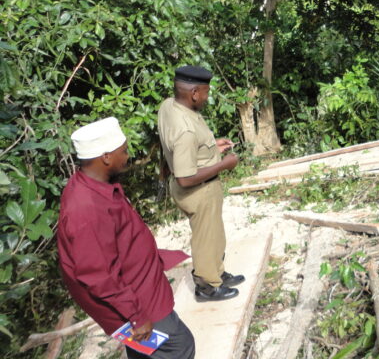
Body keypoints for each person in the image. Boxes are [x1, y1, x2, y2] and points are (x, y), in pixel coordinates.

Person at [57, 117, 195, 358]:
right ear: (106, 157)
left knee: (147, 353)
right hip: (137, 303)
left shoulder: (97, 184)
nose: (127, 155)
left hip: (141, 285)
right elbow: (97, 275)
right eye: (124, 151)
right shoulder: (85, 208)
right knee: (179, 347)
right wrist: (136, 316)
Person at [158, 65, 243, 302]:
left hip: (202, 186)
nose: (207, 97)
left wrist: (212, 146)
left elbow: (180, 148)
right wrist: (224, 164)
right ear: (194, 93)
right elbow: (185, 178)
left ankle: (218, 272)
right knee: (205, 237)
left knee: (214, 233)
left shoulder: (169, 106)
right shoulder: (185, 130)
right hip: (198, 190)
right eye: (206, 92)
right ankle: (207, 285)